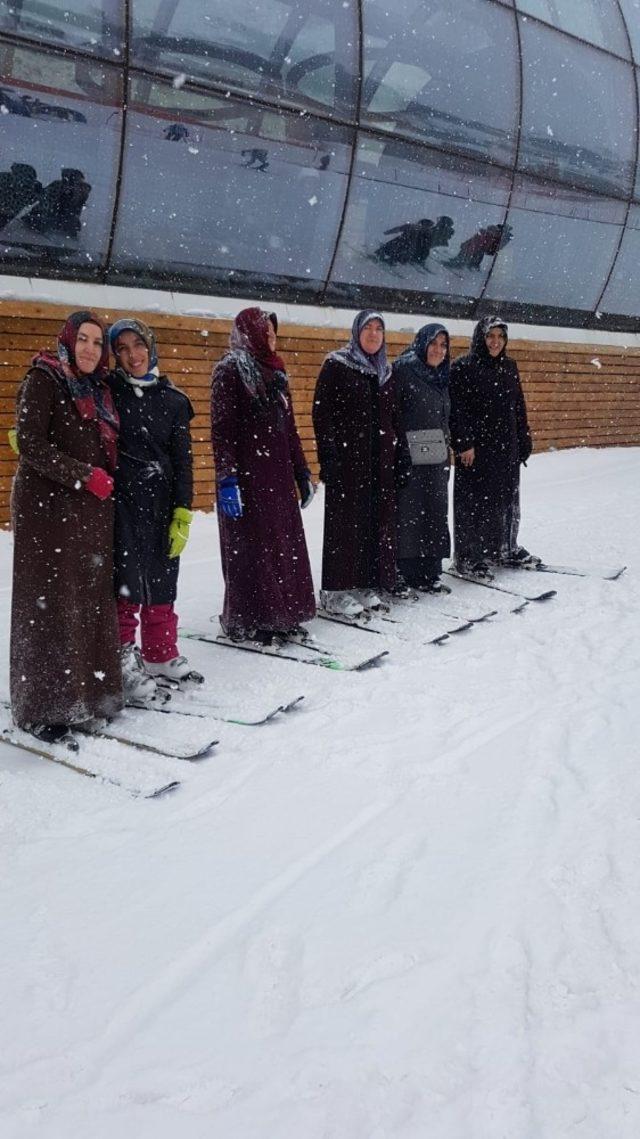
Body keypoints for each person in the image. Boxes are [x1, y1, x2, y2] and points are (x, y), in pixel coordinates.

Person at [10, 310, 123, 743]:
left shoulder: (99, 389)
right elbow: (30, 442)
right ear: (68, 341)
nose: (91, 348)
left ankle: (88, 697)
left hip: (89, 512)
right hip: (48, 513)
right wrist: (83, 474)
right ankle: (44, 707)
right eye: (84, 340)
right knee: (50, 605)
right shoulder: (45, 378)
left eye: (98, 342)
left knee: (87, 601)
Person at [210, 307, 316, 644]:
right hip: (247, 479)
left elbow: (290, 430)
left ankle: (284, 614)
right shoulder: (228, 371)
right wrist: (227, 479)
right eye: (264, 332)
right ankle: (251, 618)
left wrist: (301, 472)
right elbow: (222, 430)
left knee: (284, 549)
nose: (270, 339)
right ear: (247, 332)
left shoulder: (277, 372)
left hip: (279, 478)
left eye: (273, 333)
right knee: (253, 551)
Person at [108, 318, 197, 698]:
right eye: (123, 349)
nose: (133, 355)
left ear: (151, 346)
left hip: (161, 504)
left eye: (138, 345)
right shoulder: (109, 392)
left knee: (163, 577)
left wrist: (183, 510)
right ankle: (123, 660)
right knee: (126, 582)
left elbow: (183, 460)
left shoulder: (173, 400)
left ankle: (160, 652)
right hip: (123, 503)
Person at [313, 310, 407, 618]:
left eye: (380, 329)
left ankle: (364, 582)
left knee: (372, 524)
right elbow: (322, 416)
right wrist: (329, 458)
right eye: (369, 327)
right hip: (347, 463)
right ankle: (335, 590)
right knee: (344, 526)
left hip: (379, 464)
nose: (374, 334)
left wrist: (401, 454)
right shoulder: (337, 365)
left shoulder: (385, 372)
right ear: (357, 332)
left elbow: (395, 418)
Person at [449, 315, 538, 580]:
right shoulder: (463, 367)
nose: (495, 342)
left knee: (506, 501)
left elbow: (517, 406)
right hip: (476, 452)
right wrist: (464, 442)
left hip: (506, 448)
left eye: (500, 337)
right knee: (474, 504)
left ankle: (503, 548)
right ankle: (469, 556)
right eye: (490, 336)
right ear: (480, 337)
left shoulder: (509, 366)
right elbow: (456, 410)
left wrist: (523, 437)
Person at [393, 323, 452, 593]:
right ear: (422, 343)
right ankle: (407, 572)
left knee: (434, 513)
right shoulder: (404, 370)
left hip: (437, 454)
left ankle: (429, 571)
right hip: (410, 453)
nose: (438, 350)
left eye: (443, 345)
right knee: (410, 514)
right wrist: (400, 449)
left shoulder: (442, 375)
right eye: (433, 343)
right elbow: (393, 412)